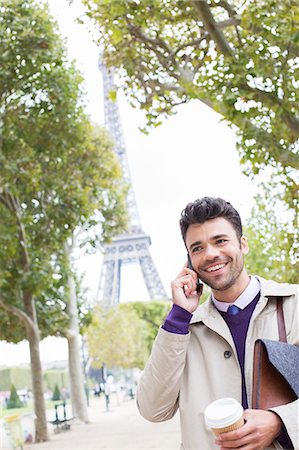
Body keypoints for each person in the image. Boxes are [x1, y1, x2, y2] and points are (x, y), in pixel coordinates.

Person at [136, 197, 298, 450]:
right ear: (189, 261)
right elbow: (152, 409)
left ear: (243, 244)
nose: (210, 254)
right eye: (197, 248)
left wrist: (281, 421)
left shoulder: (294, 305)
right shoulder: (182, 330)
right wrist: (179, 316)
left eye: (220, 241)